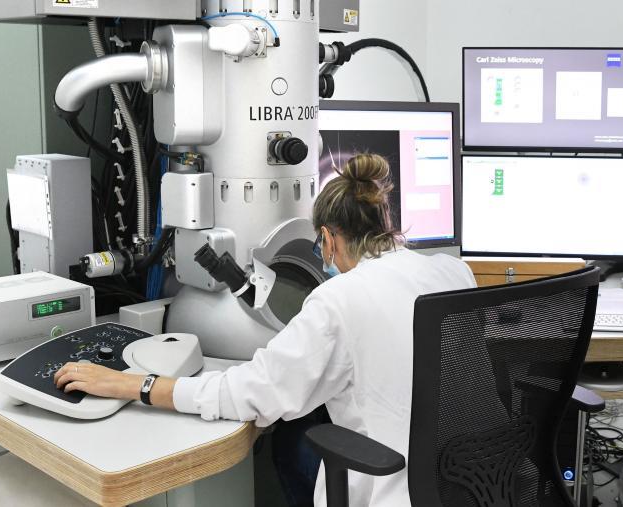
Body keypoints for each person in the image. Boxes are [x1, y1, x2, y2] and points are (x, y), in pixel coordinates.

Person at [53, 153, 477, 506]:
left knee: (293, 441)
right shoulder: (454, 272)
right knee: (298, 432)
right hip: (474, 483)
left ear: (328, 239)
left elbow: (244, 396)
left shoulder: (339, 301)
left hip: (397, 491)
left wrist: (133, 385)